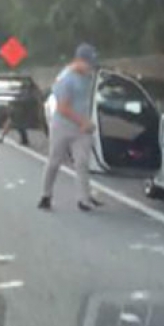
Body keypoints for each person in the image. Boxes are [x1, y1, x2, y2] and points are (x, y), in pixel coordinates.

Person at [38, 44, 103, 212]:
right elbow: (63, 108)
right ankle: (46, 195)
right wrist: (83, 122)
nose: (91, 67)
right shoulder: (66, 79)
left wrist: (87, 122)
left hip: (82, 127)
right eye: (88, 63)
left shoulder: (89, 77)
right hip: (63, 125)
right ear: (79, 61)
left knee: (82, 162)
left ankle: (83, 199)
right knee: (55, 160)